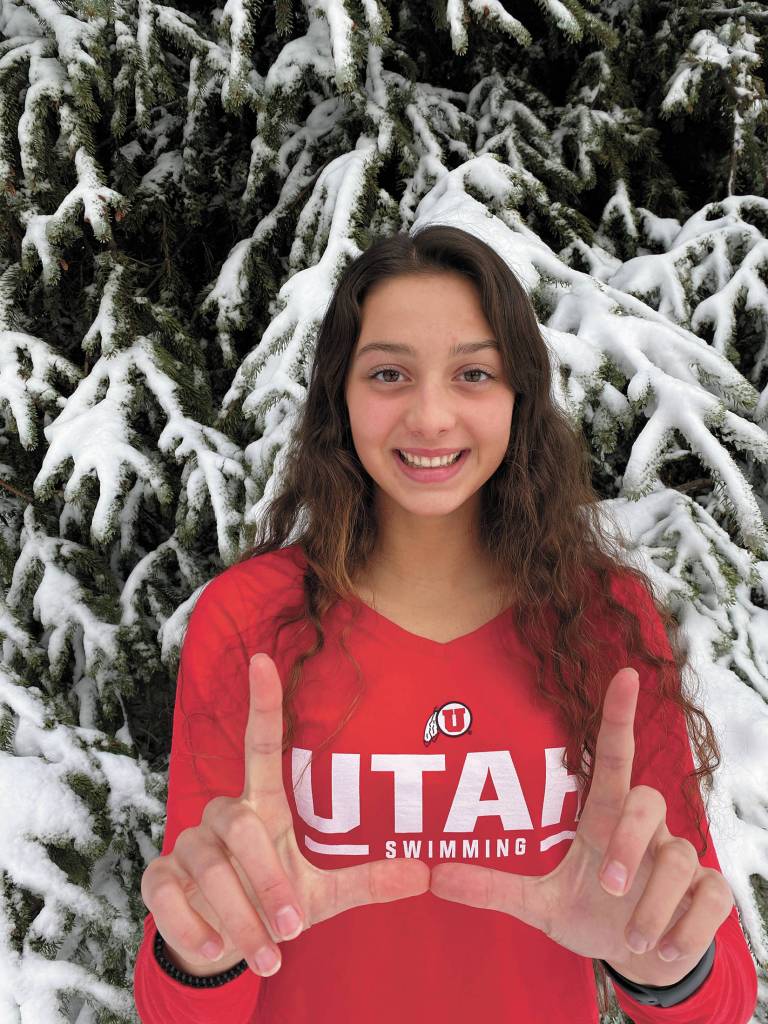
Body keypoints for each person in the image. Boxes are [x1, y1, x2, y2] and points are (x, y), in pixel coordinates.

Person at [133, 225, 759, 1023]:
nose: (430, 416)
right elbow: (178, 1004)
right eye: (389, 373)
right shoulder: (249, 620)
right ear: (341, 396)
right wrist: (203, 954)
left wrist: (660, 966)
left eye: (473, 374)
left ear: (518, 398)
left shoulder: (603, 619)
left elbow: (721, 999)